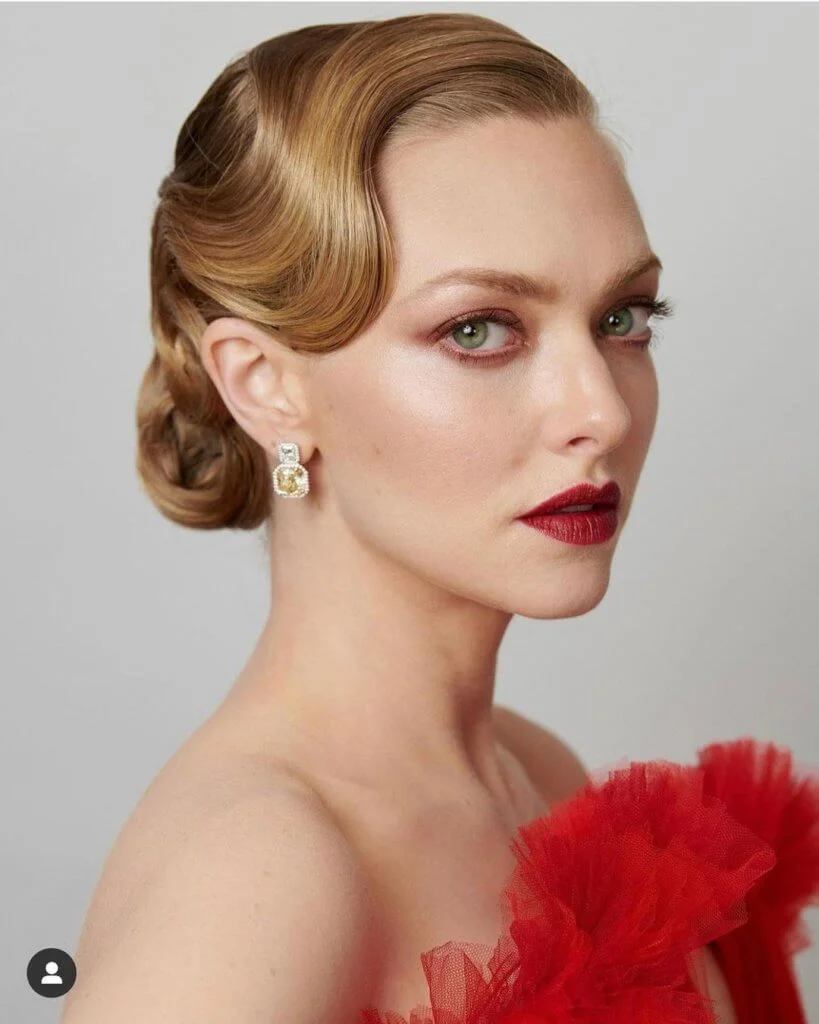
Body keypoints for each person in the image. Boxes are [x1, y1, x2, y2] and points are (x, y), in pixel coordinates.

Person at [61, 13, 819, 1024]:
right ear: (266, 387)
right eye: (477, 330)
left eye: (622, 318)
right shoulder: (256, 883)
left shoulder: (534, 773)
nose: (600, 410)